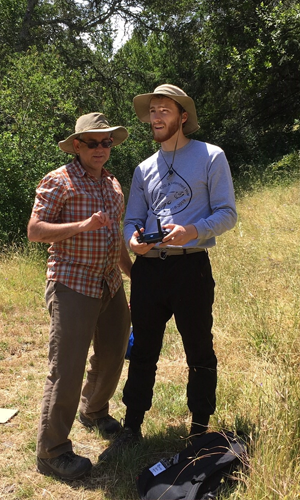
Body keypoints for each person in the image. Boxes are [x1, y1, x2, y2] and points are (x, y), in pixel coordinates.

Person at [99, 84, 237, 460]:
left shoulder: (211, 156)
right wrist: (133, 242)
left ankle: (199, 430)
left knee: (199, 350)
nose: (156, 117)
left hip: (191, 265)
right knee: (143, 349)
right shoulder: (145, 167)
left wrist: (192, 231)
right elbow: (132, 220)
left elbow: (227, 213)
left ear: (182, 117)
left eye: (164, 110)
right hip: (149, 271)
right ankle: (132, 426)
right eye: (152, 111)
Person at [27, 112, 132, 480]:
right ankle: (52, 451)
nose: (101, 148)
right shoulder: (59, 180)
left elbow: (115, 235)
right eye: (93, 142)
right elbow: (35, 231)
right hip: (72, 283)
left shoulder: (113, 184)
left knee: (114, 351)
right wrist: (82, 225)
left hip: (108, 283)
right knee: (66, 368)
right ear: (77, 145)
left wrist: (132, 273)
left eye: (106, 142)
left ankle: (94, 410)